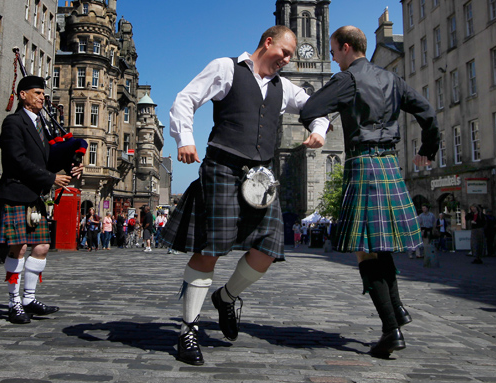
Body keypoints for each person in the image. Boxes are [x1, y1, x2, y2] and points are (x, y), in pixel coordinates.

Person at [160, 25, 329, 366]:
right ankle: (187, 330)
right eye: (285, 52)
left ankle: (226, 297)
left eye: (291, 56)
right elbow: (186, 99)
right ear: (268, 43)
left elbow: (317, 108)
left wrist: (318, 130)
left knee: (268, 250)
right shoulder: (226, 68)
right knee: (211, 250)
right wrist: (185, 139)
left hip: (261, 179)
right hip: (222, 168)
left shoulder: (285, 88)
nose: (287, 60)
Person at [300, 26, 439, 358]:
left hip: (363, 163)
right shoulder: (391, 78)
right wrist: (428, 148)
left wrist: (323, 124)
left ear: (347, 48)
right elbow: (428, 113)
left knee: (365, 248)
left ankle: (391, 330)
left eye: (333, 52)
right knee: (382, 245)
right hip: (390, 163)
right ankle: (397, 310)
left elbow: (308, 110)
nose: (332, 58)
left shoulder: (346, 80)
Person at [0, 75, 83, 324]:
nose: (43, 97)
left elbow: (48, 158)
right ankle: (14, 303)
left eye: (43, 93)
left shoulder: (42, 125)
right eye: (37, 92)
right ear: (23, 95)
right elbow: (16, 160)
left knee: (41, 247)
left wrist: (72, 163)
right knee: (18, 248)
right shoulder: (13, 123)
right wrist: (51, 178)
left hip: (34, 196)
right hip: (16, 192)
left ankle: (29, 299)